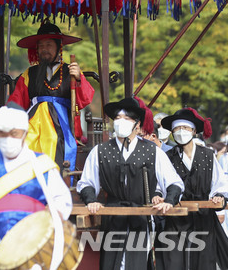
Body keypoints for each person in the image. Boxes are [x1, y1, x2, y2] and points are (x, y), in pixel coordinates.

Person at [0, 105, 72, 267]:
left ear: (24, 134)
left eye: (14, 134)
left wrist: (55, 214)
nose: (8, 138)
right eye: (3, 134)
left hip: (34, 247)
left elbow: (62, 199)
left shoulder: (42, 163)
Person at [77, 97, 184, 270]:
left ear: (137, 124)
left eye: (126, 119)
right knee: (111, 264)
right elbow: (87, 182)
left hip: (141, 217)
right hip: (112, 217)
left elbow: (174, 182)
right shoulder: (100, 151)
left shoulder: (152, 151)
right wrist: (91, 201)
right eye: (118, 118)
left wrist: (169, 201)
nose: (121, 122)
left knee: (136, 264)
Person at [7, 22, 94, 170]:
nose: (44, 49)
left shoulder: (70, 70)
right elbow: (17, 101)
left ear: (59, 47)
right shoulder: (30, 73)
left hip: (62, 122)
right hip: (33, 120)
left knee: (52, 140)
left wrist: (79, 78)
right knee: (23, 141)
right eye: (40, 46)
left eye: (48, 45)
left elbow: (85, 99)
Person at [156, 108, 228, 269]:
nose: (181, 132)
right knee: (174, 261)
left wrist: (218, 196)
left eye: (185, 128)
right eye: (176, 129)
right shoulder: (167, 157)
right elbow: (160, 185)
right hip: (176, 217)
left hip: (203, 217)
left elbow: (220, 184)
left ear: (194, 131)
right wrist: (158, 195)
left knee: (203, 262)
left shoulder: (208, 155)